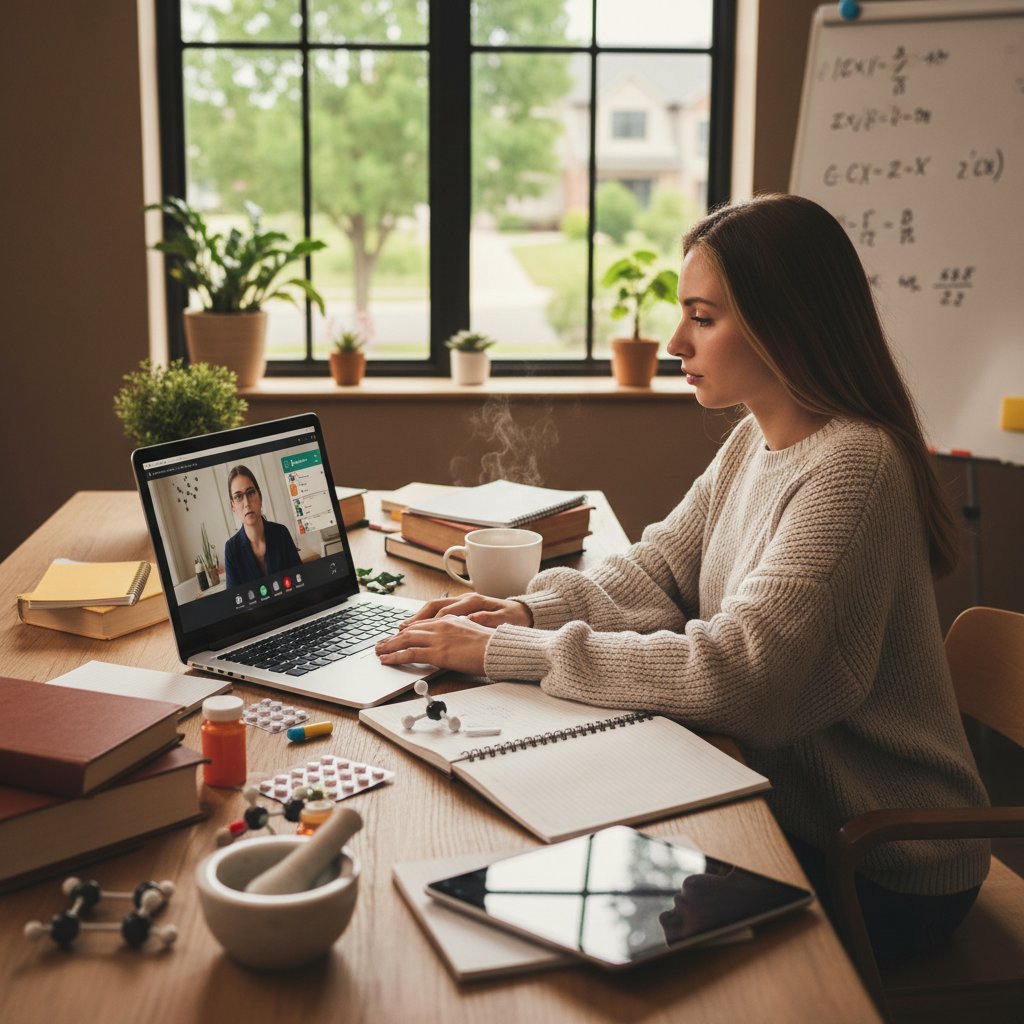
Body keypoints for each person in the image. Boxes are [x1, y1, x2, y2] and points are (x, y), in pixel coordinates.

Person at [375, 194, 990, 966]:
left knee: (578, 910)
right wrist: (523, 615)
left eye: (702, 317)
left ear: (784, 323)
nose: (674, 341)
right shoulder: (755, 442)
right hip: (795, 810)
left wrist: (505, 655)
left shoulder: (852, 469)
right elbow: (661, 570)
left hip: (885, 864)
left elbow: (741, 678)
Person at [223, 465, 302, 586]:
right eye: (238, 497)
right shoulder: (231, 549)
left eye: (250, 493)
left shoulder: (281, 533)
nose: (247, 503)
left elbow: (300, 580)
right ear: (232, 505)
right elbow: (235, 601)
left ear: (259, 496)